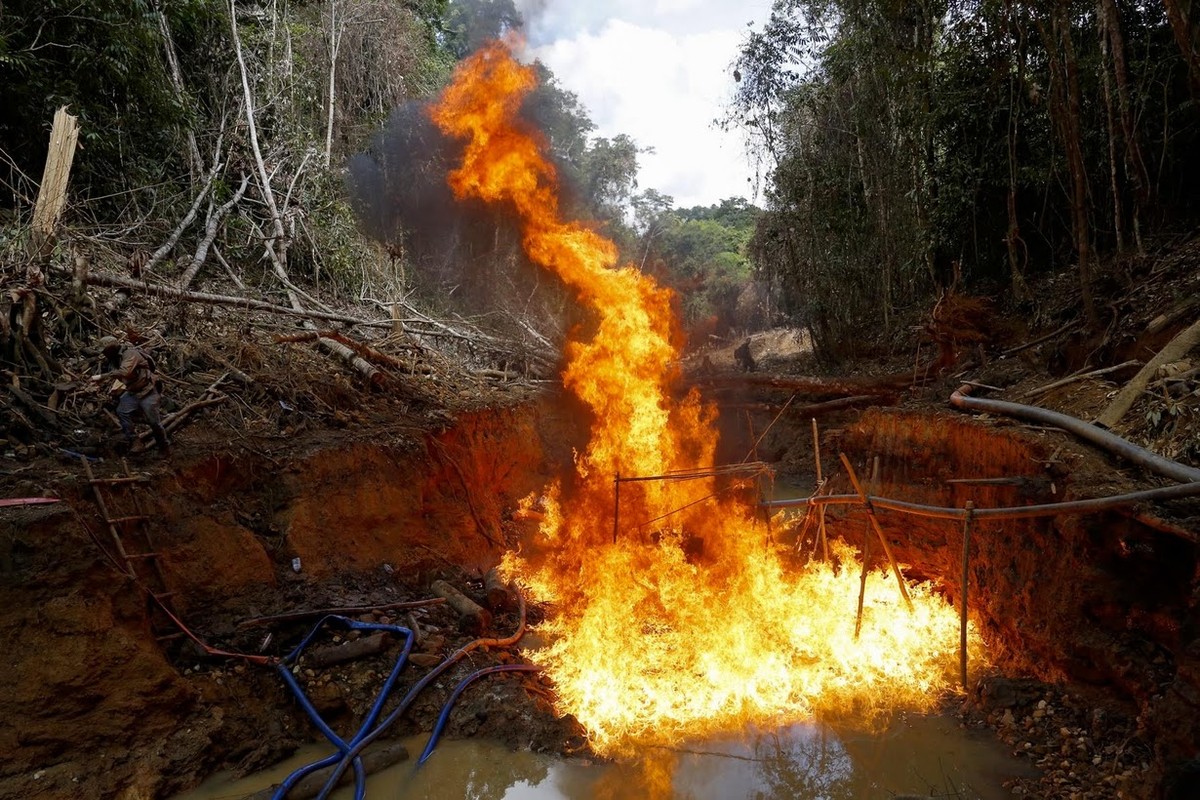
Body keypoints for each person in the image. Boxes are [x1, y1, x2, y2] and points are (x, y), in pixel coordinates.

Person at [94, 336, 170, 455]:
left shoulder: (130, 354)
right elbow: (120, 376)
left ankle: (164, 446)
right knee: (122, 412)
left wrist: (102, 377)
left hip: (148, 390)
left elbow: (125, 372)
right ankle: (135, 441)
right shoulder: (114, 360)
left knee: (154, 422)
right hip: (133, 391)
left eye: (106, 350)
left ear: (112, 348)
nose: (104, 353)